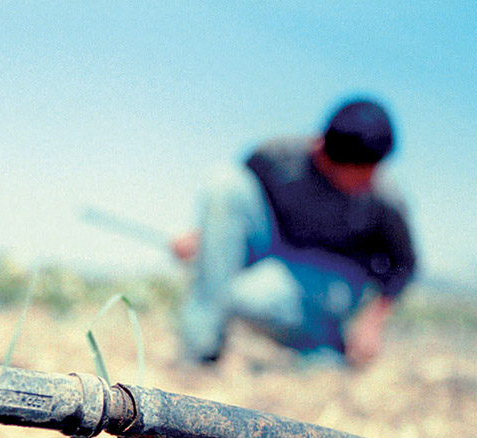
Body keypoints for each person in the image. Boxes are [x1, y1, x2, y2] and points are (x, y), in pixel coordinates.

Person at [171, 97, 417, 367]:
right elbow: (240, 203)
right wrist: (204, 237)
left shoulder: (384, 196)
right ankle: (199, 352)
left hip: (333, 282)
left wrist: (372, 322)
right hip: (275, 254)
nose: (372, 178)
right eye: (363, 170)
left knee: (248, 296)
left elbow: (404, 264)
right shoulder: (277, 155)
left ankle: (327, 347)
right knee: (224, 181)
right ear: (326, 154)